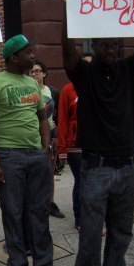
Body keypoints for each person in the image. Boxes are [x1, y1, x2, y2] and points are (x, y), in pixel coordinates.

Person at [58, 0, 134, 266]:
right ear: (95, 45)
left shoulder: (127, 69)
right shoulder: (84, 74)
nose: (110, 50)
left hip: (127, 165)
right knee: (91, 233)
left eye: (114, 45)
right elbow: (67, 50)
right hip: (96, 166)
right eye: (104, 45)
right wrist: (66, 9)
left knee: (122, 231)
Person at [0, 34, 54, 266]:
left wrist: (45, 147)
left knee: (39, 212)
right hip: (9, 157)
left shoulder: (33, 84)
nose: (33, 56)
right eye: (28, 52)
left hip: (36, 156)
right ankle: (18, 263)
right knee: (13, 214)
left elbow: (42, 119)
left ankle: (44, 263)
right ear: (14, 57)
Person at [29, 61, 65, 219]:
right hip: (31, 137)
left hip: (50, 135)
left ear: (44, 74)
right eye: (31, 71)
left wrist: (57, 136)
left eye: (37, 71)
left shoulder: (53, 92)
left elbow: (59, 115)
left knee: (49, 172)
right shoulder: (26, 91)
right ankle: (35, 203)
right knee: (33, 174)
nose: (34, 74)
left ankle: (50, 203)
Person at [57, 81, 81, 230]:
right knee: (82, 180)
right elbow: (63, 119)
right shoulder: (68, 89)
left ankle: (97, 218)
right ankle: (80, 219)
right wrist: (62, 148)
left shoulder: (99, 83)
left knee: (98, 183)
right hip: (75, 144)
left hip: (97, 143)